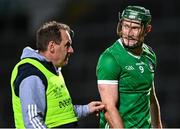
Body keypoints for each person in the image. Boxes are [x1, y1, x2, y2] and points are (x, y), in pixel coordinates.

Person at [10, 21, 104, 128]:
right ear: (52, 46)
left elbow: (60, 111)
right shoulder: (31, 73)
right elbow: (32, 120)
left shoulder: (51, 69)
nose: (71, 50)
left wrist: (86, 109)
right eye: (67, 45)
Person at [96, 5, 162, 128]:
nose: (128, 33)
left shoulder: (150, 55)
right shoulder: (110, 59)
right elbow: (109, 108)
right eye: (126, 26)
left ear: (147, 29)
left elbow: (151, 98)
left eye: (135, 28)